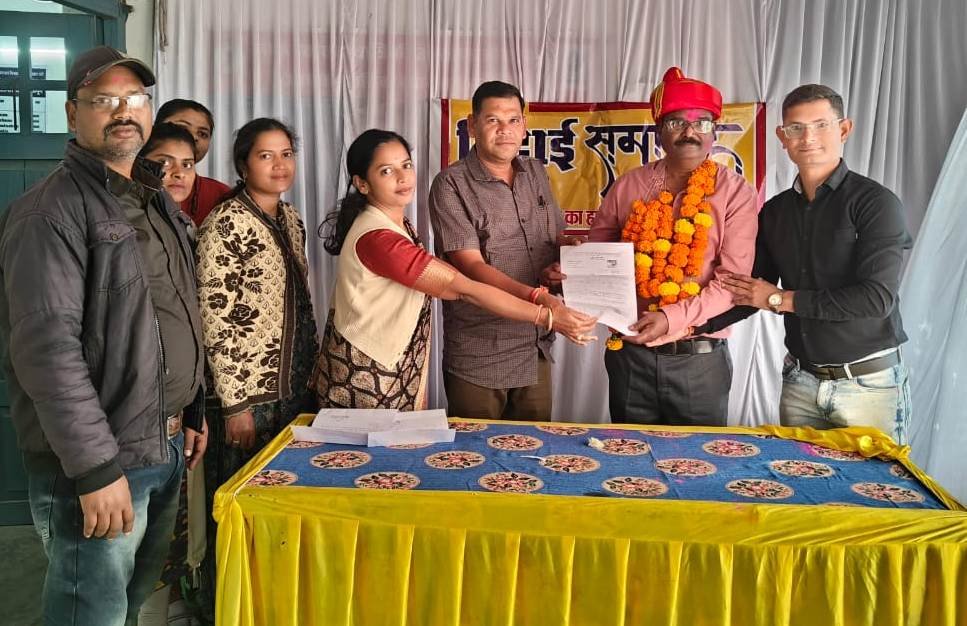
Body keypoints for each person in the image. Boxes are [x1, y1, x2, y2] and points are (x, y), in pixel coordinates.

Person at [0, 46, 207, 625]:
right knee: (89, 613)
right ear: (72, 113)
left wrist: (192, 409)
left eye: (134, 98)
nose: (123, 110)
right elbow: (48, 353)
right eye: (104, 99)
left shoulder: (154, 199)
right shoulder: (49, 212)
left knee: (128, 604)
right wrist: (95, 469)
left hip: (163, 443)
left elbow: (173, 311)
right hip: (103, 460)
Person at [316, 129, 596, 411]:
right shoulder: (379, 238)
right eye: (386, 171)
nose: (402, 177)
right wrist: (546, 314)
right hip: (365, 374)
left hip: (389, 366)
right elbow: (465, 289)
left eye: (406, 165)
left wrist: (545, 298)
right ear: (362, 184)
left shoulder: (396, 225)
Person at [699, 84, 913, 443]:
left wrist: (780, 299)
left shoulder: (875, 203)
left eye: (821, 125)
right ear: (782, 137)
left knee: (875, 481)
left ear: (844, 129)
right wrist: (688, 328)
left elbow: (876, 299)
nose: (808, 137)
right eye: (796, 128)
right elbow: (750, 291)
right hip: (800, 383)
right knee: (800, 479)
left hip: (868, 385)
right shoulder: (775, 212)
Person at [587, 67, 759, 426]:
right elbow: (599, 255)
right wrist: (574, 270)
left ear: (714, 131)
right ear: (659, 130)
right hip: (630, 354)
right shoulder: (629, 186)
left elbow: (732, 282)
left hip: (699, 359)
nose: (689, 132)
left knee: (697, 457)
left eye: (701, 123)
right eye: (677, 122)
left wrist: (670, 318)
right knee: (629, 454)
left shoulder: (735, 192)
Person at [195, 117, 318, 616]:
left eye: (286, 153)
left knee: (280, 510)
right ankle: (223, 609)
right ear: (243, 164)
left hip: (292, 391)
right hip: (246, 398)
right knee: (235, 511)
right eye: (266, 155)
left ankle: (271, 607)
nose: (279, 164)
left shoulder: (290, 218)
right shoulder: (225, 224)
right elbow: (214, 317)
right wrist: (234, 406)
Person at [428, 81, 593, 420]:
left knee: (535, 445)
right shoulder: (451, 184)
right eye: (493, 120)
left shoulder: (535, 172)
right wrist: (540, 299)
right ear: (472, 126)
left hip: (535, 347)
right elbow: (471, 267)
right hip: (480, 351)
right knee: (476, 448)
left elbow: (551, 240)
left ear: (524, 125)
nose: (505, 130)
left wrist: (568, 259)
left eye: (513, 120)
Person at [156, 98, 231, 225]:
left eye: (202, 134)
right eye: (182, 128)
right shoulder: (129, 188)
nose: (194, 137)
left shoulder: (221, 195)